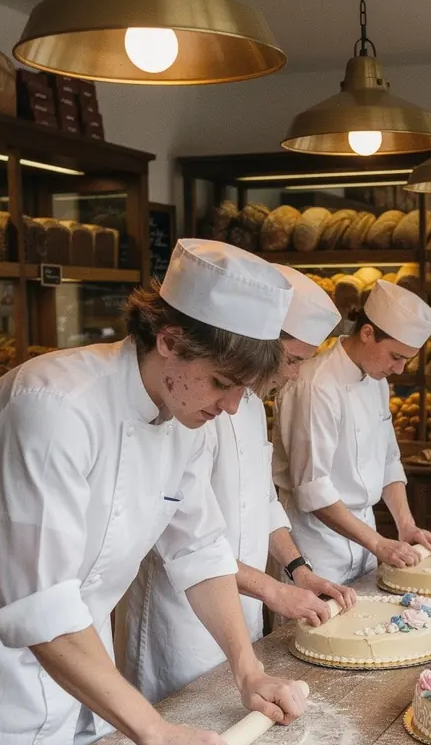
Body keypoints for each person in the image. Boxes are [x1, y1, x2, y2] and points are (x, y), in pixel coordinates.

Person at [0, 239, 309, 745]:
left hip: (84, 671)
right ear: (171, 342)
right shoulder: (53, 406)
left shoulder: (184, 414)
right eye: (223, 383)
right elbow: (41, 604)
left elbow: (199, 551)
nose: (232, 408)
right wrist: (155, 732)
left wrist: (248, 670)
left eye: (246, 391)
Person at [124, 266, 356, 705]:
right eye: (291, 360)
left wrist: (298, 571)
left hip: (242, 607)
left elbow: (262, 501)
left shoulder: (245, 403)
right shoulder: (190, 400)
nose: (293, 374)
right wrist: (274, 590)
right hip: (181, 619)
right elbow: (184, 540)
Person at [273, 280, 431, 585]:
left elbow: (389, 461)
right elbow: (314, 489)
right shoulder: (316, 385)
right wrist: (378, 543)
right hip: (317, 547)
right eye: (396, 356)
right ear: (367, 333)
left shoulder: (376, 380)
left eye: (407, 359)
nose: (400, 370)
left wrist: (405, 525)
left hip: (364, 536)